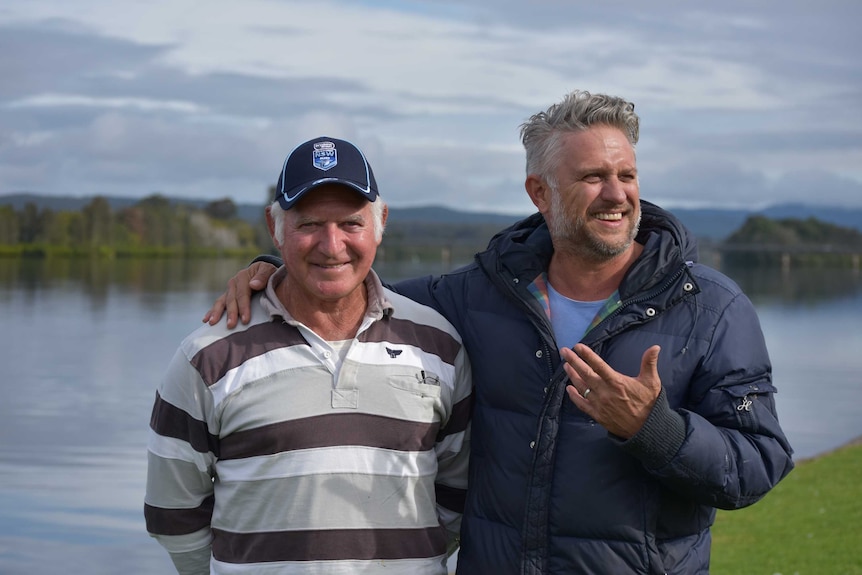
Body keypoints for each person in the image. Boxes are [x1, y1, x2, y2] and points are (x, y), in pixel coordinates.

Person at [205, 92, 795, 574]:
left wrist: (656, 430)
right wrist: (275, 271)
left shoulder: (711, 307)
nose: (617, 195)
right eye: (592, 177)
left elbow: (760, 464)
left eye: (626, 174)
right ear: (540, 193)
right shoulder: (473, 296)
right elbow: (350, 279)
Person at [145, 136, 472, 575]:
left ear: (381, 223)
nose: (331, 245)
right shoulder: (207, 355)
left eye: (351, 224)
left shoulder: (440, 345)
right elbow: (173, 511)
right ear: (274, 227)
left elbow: (459, 492)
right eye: (309, 224)